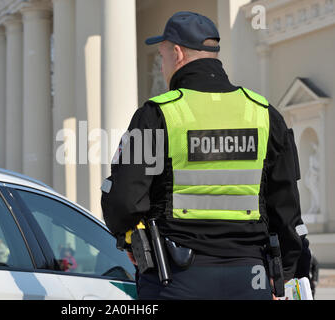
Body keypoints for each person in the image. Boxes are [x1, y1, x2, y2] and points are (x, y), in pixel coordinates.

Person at [101, 11, 303, 300]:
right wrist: (283, 271)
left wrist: (129, 240)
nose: (162, 67)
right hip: (250, 277)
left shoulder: (157, 114)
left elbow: (123, 200)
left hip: (177, 278)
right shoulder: (263, 114)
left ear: (177, 53)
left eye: (162, 58)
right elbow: (286, 205)